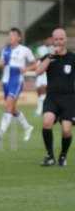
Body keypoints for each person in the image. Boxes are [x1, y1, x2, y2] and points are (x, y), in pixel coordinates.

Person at [36, 28, 75, 167]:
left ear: (65, 40)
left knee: (66, 130)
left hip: (69, 99)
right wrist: (50, 57)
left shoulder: (72, 57)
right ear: (53, 41)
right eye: (56, 39)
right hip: (52, 97)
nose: (58, 41)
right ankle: (50, 156)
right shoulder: (48, 57)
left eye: (61, 39)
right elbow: (38, 71)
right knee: (46, 122)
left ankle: (63, 155)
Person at [0, 27, 37, 141]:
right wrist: (1, 64)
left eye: (12, 35)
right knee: (12, 108)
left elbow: (35, 64)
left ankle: (1, 131)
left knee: (8, 105)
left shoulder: (25, 50)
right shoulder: (5, 50)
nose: (10, 37)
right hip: (5, 81)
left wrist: (26, 69)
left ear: (19, 38)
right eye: (9, 35)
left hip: (16, 80)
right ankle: (27, 127)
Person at [34, 37, 53, 116]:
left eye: (50, 39)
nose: (49, 41)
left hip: (47, 72)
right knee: (39, 90)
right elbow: (36, 58)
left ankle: (40, 110)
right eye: (48, 39)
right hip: (39, 70)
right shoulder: (40, 49)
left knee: (43, 89)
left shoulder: (53, 49)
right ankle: (40, 108)